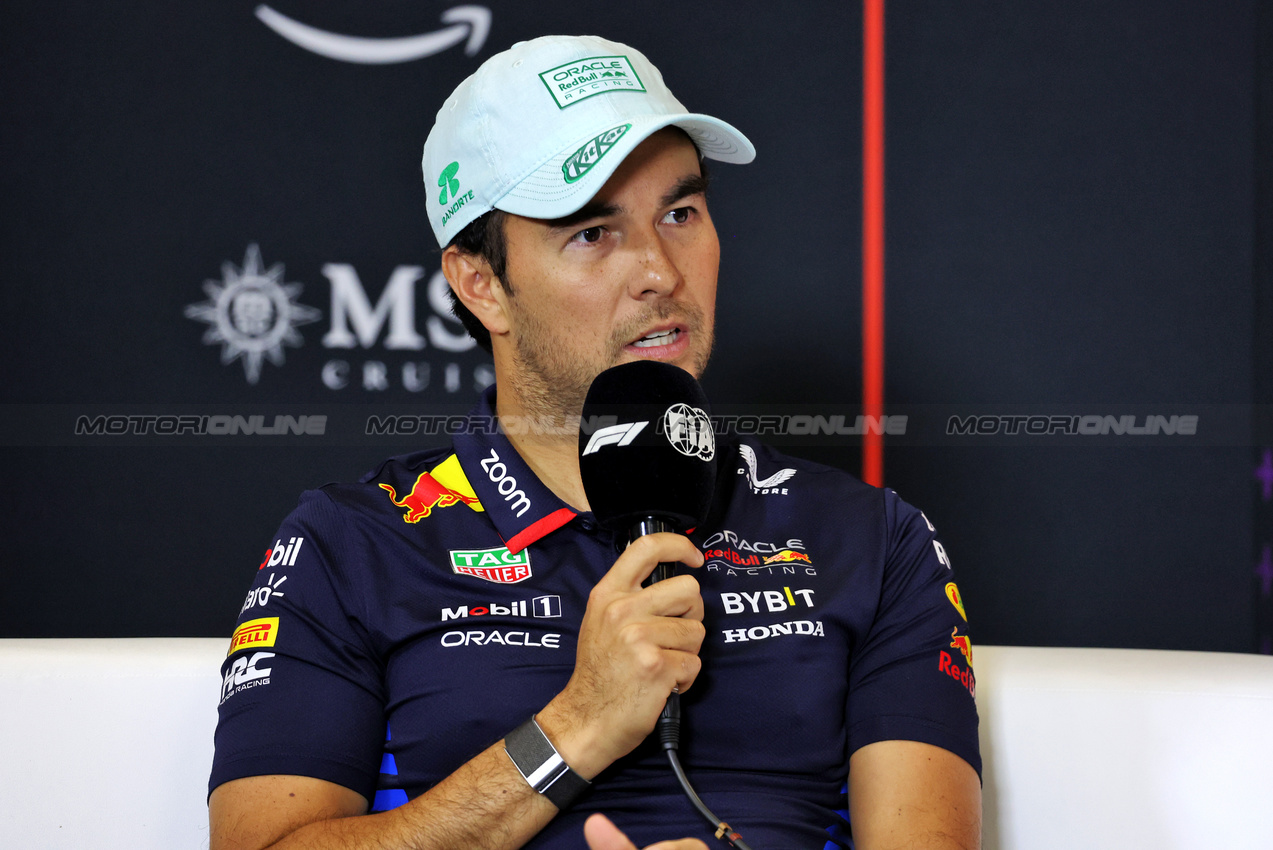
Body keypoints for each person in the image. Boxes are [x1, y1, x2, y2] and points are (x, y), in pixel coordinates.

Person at [208, 35, 981, 850]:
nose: (658, 270)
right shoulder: (352, 543)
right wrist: (577, 727)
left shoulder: (870, 538)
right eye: (591, 233)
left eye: (679, 214)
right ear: (482, 284)